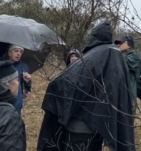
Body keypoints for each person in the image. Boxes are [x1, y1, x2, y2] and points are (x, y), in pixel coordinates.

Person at [37, 22, 135, 151]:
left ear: (94, 37)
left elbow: (68, 82)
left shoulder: (95, 56)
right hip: (100, 126)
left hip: (81, 127)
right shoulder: (116, 55)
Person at [115, 35, 141, 107]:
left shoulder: (134, 56)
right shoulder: (119, 56)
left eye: (121, 43)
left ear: (129, 45)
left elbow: (124, 60)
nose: (118, 45)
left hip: (129, 97)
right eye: (117, 43)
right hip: (120, 96)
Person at [7, 44, 32, 114]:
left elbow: (28, 89)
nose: (18, 54)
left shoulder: (24, 67)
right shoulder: (2, 65)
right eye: (16, 51)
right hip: (3, 101)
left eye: (21, 52)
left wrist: (28, 82)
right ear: (9, 53)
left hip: (17, 103)